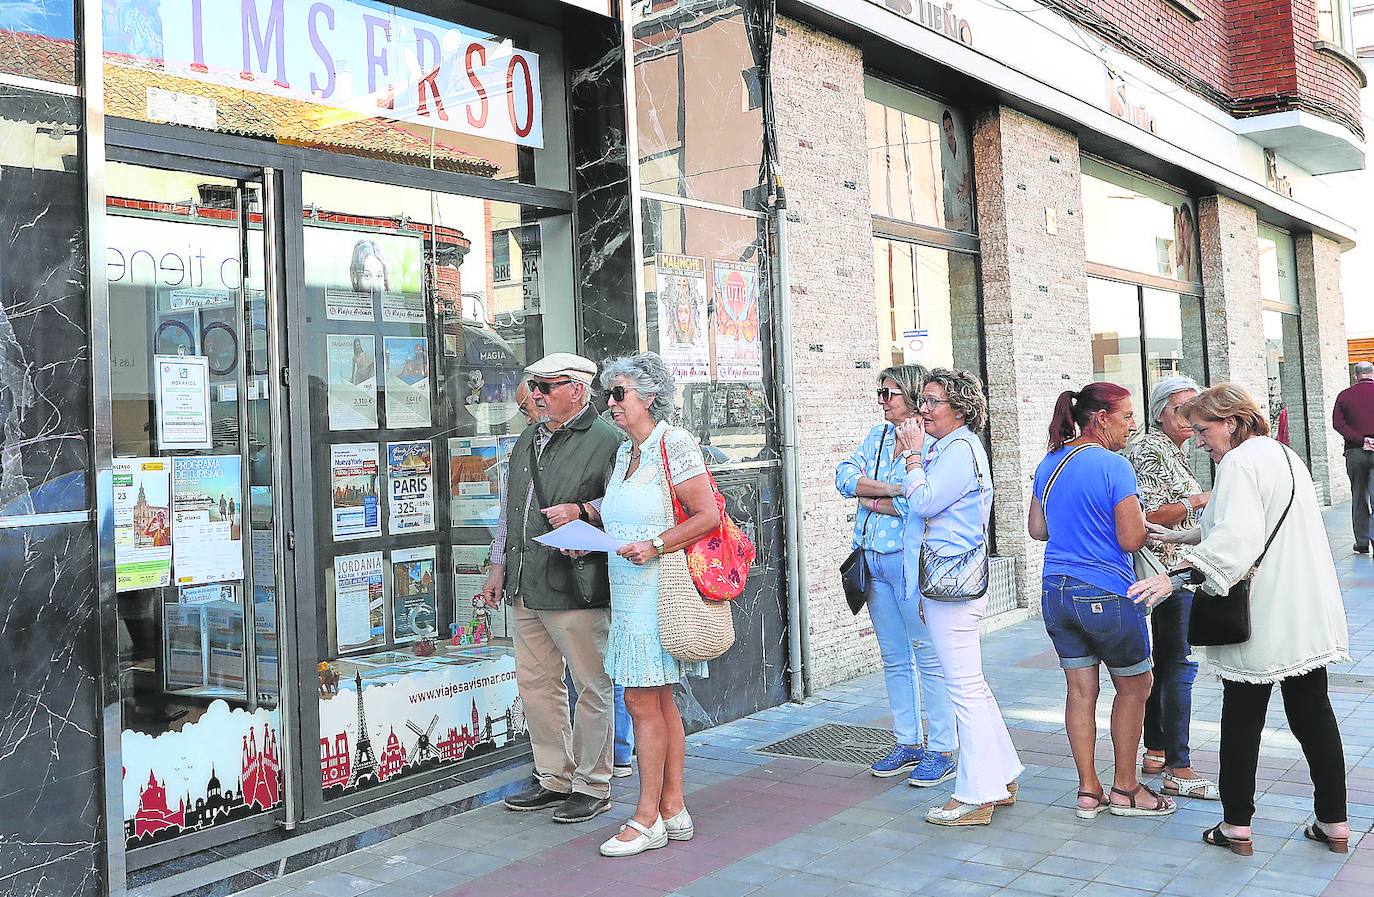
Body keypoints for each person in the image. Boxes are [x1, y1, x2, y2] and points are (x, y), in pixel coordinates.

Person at [1129, 384, 1350, 856]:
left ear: (1231, 421)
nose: (1200, 439)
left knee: (1242, 721)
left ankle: (1236, 827)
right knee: (1315, 716)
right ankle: (1334, 822)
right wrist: (1183, 533)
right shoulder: (1284, 455)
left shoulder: (1238, 463)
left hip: (1262, 617)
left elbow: (1236, 540)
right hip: (1305, 611)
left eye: (1204, 429)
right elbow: (1249, 522)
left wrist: (1173, 577)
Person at [481, 353, 626, 824]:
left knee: (591, 686)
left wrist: (584, 510)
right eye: (534, 387)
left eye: (547, 387)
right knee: (537, 686)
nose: (536, 396)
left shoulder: (609, 440)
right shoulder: (528, 438)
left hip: (576, 585)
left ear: (578, 390)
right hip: (526, 582)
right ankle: (553, 778)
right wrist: (497, 564)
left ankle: (593, 783)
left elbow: (632, 504)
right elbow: (509, 508)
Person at [1029, 383, 1174, 819]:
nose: (1133, 425)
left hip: (1055, 590)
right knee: (1135, 685)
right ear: (1101, 419)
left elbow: (1038, 530)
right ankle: (1126, 789)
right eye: (1127, 416)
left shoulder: (1050, 461)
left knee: (1080, 690)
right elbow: (1130, 537)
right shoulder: (1114, 466)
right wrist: (1162, 519)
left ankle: (1088, 791)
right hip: (1105, 591)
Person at [596, 352, 719, 857]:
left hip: (657, 590)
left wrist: (657, 545)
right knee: (659, 702)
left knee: (641, 701)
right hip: (626, 589)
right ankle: (672, 807)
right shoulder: (628, 452)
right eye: (609, 395)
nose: (611, 404)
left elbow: (708, 514)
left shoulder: (675, 443)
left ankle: (647, 817)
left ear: (648, 397)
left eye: (618, 394)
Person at [895, 369, 1022, 826]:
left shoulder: (960, 450)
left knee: (963, 687)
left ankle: (975, 794)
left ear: (960, 408)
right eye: (922, 401)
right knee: (973, 684)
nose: (923, 409)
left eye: (933, 401)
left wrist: (911, 460)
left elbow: (924, 503)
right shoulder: (951, 448)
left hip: (951, 584)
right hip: (948, 580)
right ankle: (1001, 773)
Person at [835, 365, 956, 783]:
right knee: (893, 656)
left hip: (910, 560)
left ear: (910, 394)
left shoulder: (932, 444)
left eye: (889, 393)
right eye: (880, 393)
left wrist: (874, 498)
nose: (882, 400)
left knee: (928, 653)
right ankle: (907, 741)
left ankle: (942, 746)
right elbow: (844, 477)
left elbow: (919, 505)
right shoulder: (878, 436)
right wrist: (890, 491)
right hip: (871, 559)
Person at [1122, 376, 1217, 800]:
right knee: (1179, 665)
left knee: (1167, 663)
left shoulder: (1174, 451)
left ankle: (1157, 749)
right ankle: (1179, 764)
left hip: (1174, 568)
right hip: (1165, 570)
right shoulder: (1150, 448)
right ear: (1160, 412)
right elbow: (1144, 513)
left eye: (1194, 408)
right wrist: (1201, 500)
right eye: (1180, 408)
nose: (1189, 416)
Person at [1332, 361, 1374, 554]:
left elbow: (1338, 424)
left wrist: (1361, 440)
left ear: (1355, 376)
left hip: (1355, 452)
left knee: (1359, 496)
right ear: (1372, 374)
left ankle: (1362, 542)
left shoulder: (1344, 396)